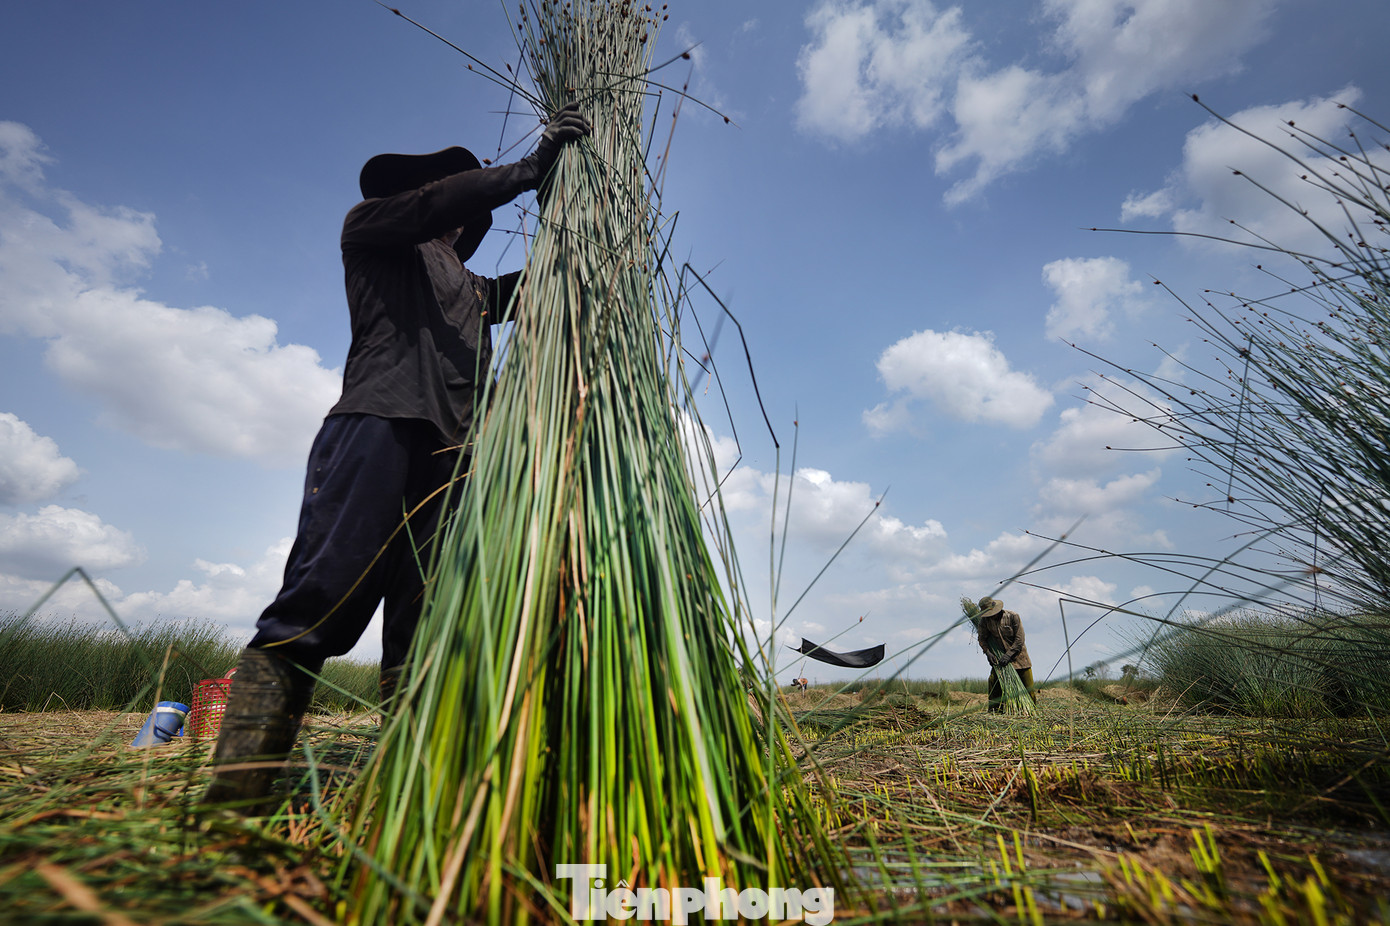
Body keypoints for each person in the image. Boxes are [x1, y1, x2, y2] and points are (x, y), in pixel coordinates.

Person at [202, 103, 590, 811]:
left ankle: (406, 797)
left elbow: (526, 292)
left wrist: (579, 237)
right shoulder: (374, 229)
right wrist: (528, 170)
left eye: (460, 189)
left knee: (424, 622)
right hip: (376, 427)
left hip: (454, 458)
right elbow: (430, 205)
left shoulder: (472, 288)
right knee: (319, 599)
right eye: (444, 187)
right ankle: (234, 802)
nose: (448, 198)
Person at [974, 596, 1034, 712]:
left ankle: (1030, 713)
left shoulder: (1012, 616)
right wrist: (988, 653)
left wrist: (1008, 655)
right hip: (999, 660)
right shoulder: (984, 621)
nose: (991, 616)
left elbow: (1020, 639)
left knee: (1028, 689)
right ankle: (994, 713)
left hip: (1020, 660)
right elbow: (982, 639)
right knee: (994, 685)